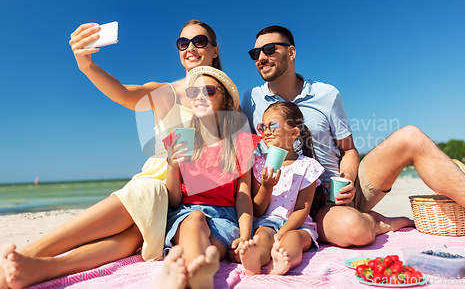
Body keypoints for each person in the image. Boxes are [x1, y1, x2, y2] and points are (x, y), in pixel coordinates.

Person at [0, 20, 223, 289]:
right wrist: (87, 66)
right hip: (161, 182)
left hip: (192, 203)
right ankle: (27, 256)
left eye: (199, 41)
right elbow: (122, 94)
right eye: (182, 43)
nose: (190, 48)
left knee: (131, 240)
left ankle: (43, 268)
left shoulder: (226, 99)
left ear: (215, 49)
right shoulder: (169, 92)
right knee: (145, 198)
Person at [241, 25, 465, 248]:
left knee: (410, 136)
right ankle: (378, 222)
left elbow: (349, 150)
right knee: (354, 230)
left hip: (340, 188)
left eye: (270, 49)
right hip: (308, 205)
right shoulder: (251, 100)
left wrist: (346, 180)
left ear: (291, 52)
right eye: (255, 53)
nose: (261, 57)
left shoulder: (326, 94)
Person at [161, 66, 256, 288]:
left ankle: (191, 274)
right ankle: (197, 275)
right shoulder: (180, 139)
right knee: (195, 220)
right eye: (193, 92)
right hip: (187, 214)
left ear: (224, 100)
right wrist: (173, 166)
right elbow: (174, 201)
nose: (199, 97)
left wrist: (244, 235)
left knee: (212, 248)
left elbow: (243, 195)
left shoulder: (240, 142)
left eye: (209, 91)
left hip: (225, 218)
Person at [239, 102, 324, 276]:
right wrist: (267, 186)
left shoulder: (307, 166)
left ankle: (282, 263)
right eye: (262, 127)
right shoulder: (258, 163)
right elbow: (258, 208)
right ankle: (255, 261)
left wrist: (283, 233)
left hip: (299, 226)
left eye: (273, 125)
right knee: (262, 236)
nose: (266, 131)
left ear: (294, 132)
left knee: (293, 241)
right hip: (267, 221)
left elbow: (302, 209)